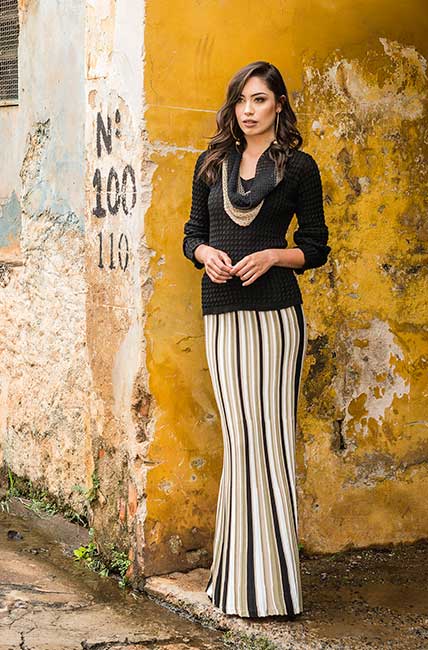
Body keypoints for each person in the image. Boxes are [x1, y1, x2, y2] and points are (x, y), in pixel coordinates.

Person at [182, 61, 331, 619]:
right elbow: (192, 235)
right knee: (240, 440)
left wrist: (272, 255)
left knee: (270, 441)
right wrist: (206, 255)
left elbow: (315, 247)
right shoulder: (210, 163)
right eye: (241, 100)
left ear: (279, 105)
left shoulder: (299, 168)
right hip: (222, 315)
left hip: (276, 319)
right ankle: (236, 581)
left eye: (260, 99)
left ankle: (274, 588)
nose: (248, 110)